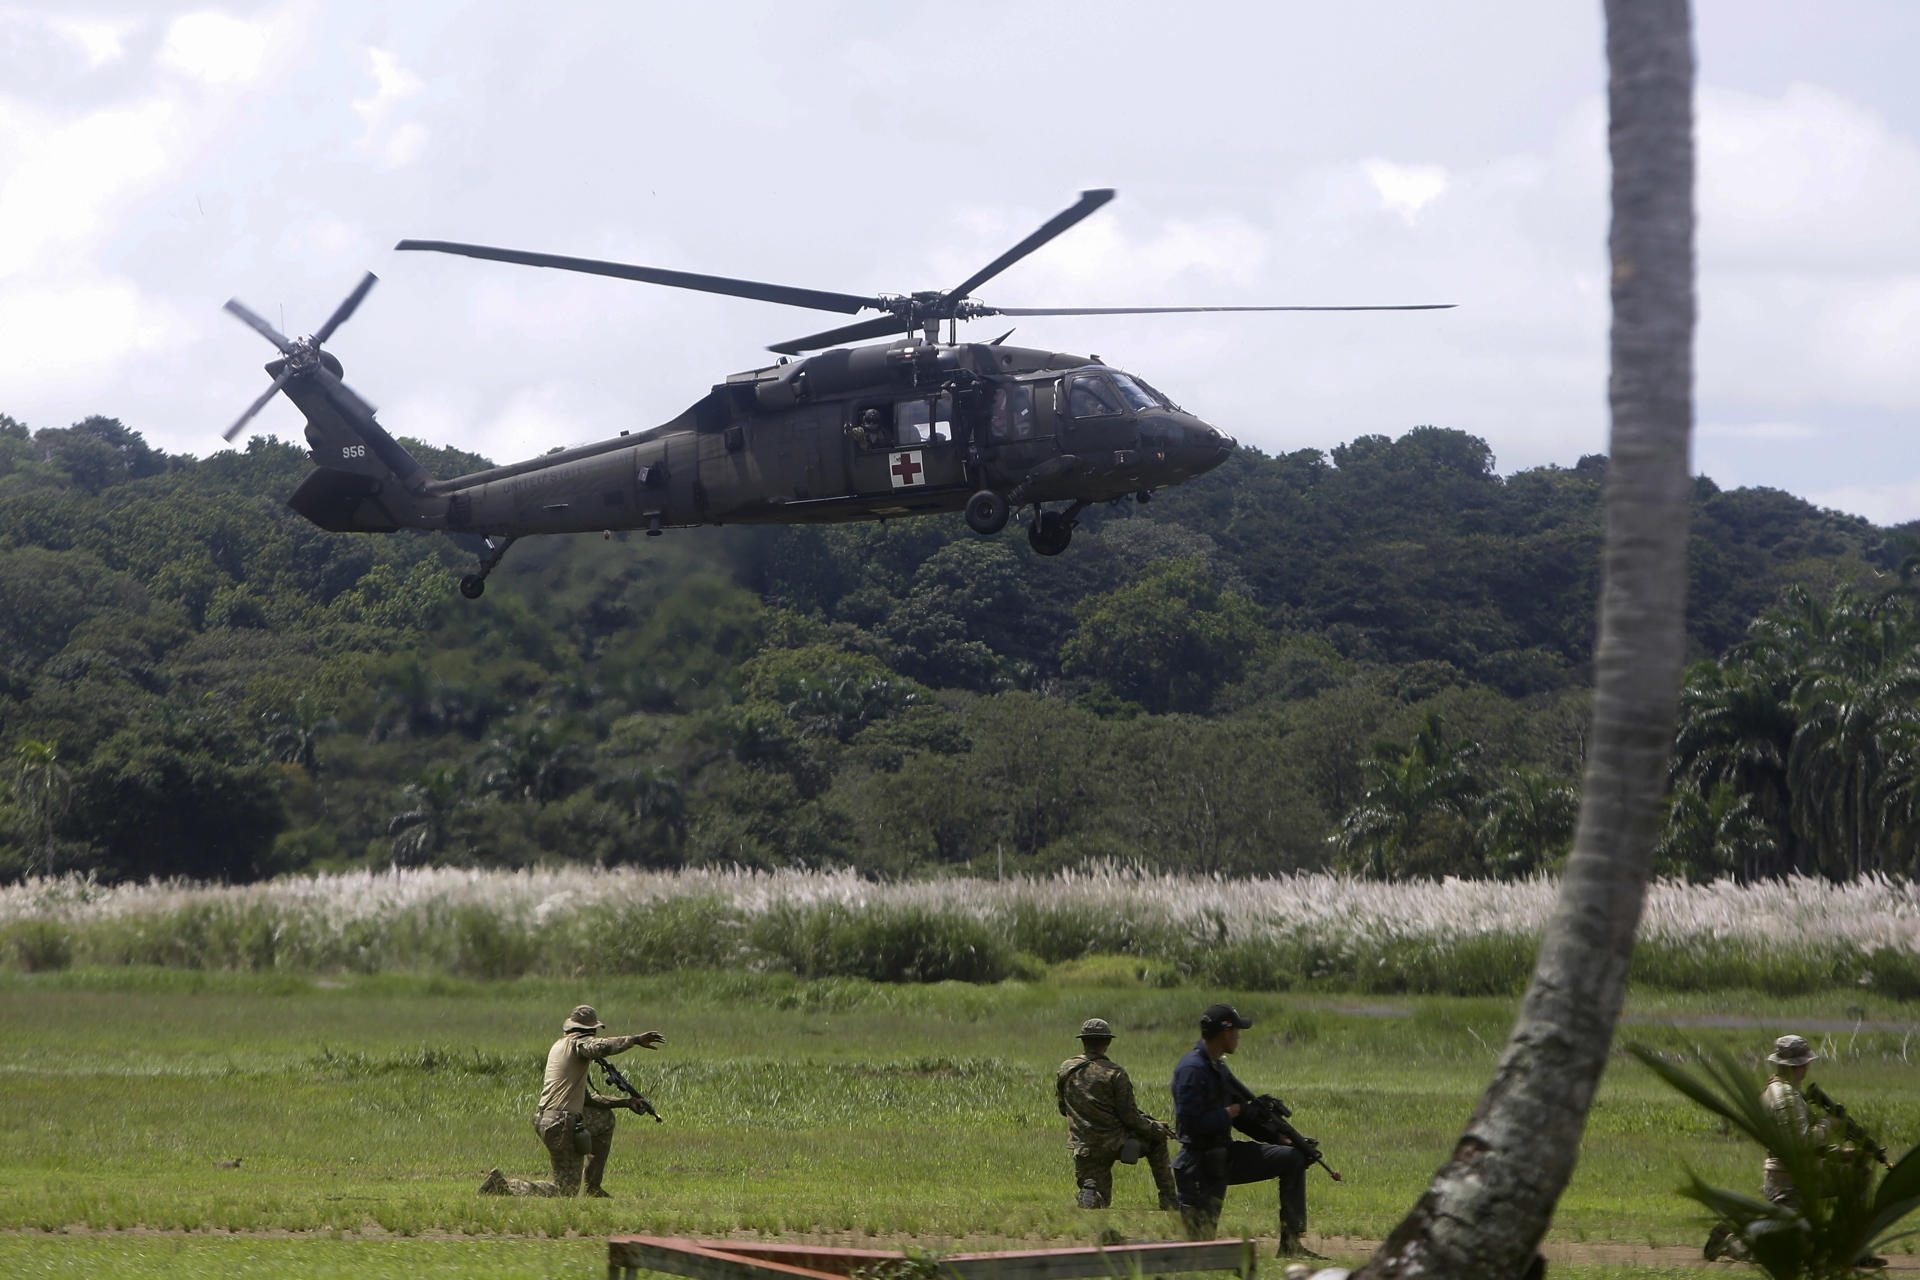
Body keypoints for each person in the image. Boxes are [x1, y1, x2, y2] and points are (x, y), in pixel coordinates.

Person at [1171, 1003, 1324, 1260]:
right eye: (1236, 1032)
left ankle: (1290, 1244)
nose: (1238, 1038)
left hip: (1223, 1156)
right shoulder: (1192, 1069)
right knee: (1198, 1251)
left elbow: (1243, 1115)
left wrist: (1279, 1138)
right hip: (1197, 1165)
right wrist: (1227, 1114)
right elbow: (1189, 1124)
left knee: (1292, 1158)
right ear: (1225, 1034)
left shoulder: (1217, 1067)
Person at [479, 1003, 664, 1197]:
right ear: (590, 1030)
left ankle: (594, 1188)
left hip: (549, 1119)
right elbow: (600, 1047)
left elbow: (587, 1100)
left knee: (604, 1119)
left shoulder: (559, 1046)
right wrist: (633, 1040)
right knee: (565, 1192)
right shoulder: (579, 1044)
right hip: (561, 1124)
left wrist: (625, 1102)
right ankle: (503, 1185)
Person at [1055, 1017, 1178, 1211]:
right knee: (1157, 1142)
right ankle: (1169, 1199)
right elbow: (1129, 1116)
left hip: (1084, 1148)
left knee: (1101, 1200)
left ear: (1083, 1041)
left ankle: (1089, 1191)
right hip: (1116, 1143)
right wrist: (1155, 1128)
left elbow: (1063, 1109)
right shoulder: (1115, 1073)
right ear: (1107, 1042)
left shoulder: (1066, 1069)